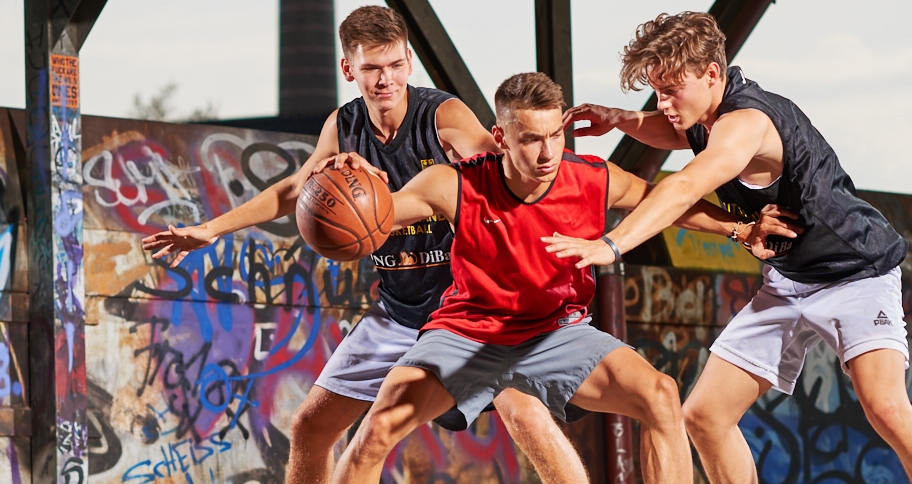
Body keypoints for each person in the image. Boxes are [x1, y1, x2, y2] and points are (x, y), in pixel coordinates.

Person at [142, 7, 587, 483]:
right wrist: (213, 229)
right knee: (311, 426)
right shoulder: (344, 126)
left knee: (524, 413)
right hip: (400, 309)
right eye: (372, 68)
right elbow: (297, 188)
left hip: (470, 307)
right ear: (348, 69)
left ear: (410, 62)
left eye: (395, 65)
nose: (385, 80)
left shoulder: (442, 115)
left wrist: (467, 183)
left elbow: (506, 173)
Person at [546, 11, 912, 484]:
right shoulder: (702, 112)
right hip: (787, 281)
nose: (663, 103)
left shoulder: (746, 122)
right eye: (656, 90)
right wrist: (618, 119)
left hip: (855, 274)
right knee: (704, 417)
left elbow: (684, 187)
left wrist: (611, 245)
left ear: (712, 73)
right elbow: (676, 130)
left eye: (671, 90)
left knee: (885, 406)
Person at [330, 72, 714, 484]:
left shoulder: (589, 177)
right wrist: (349, 180)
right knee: (377, 430)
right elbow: (377, 211)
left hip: (556, 333)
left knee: (660, 395)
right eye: (531, 139)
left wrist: (739, 227)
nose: (548, 152)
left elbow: (668, 199)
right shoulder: (455, 183)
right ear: (501, 137)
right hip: (468, 333)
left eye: (555, 135)